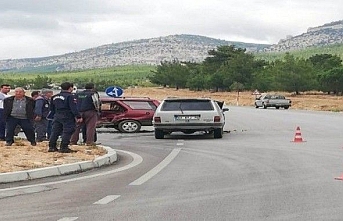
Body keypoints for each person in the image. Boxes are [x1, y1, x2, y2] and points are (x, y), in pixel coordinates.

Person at [48, 82, 82, 153]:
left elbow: (51, 108)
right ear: (70, 88)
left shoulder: (54, 97)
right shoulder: (70, 96)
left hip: (57, 115)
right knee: (67, 131)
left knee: (55, 131)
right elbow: (73, 108)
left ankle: (52, 146)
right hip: (67, 116)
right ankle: (64, 147)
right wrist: (78, 116)